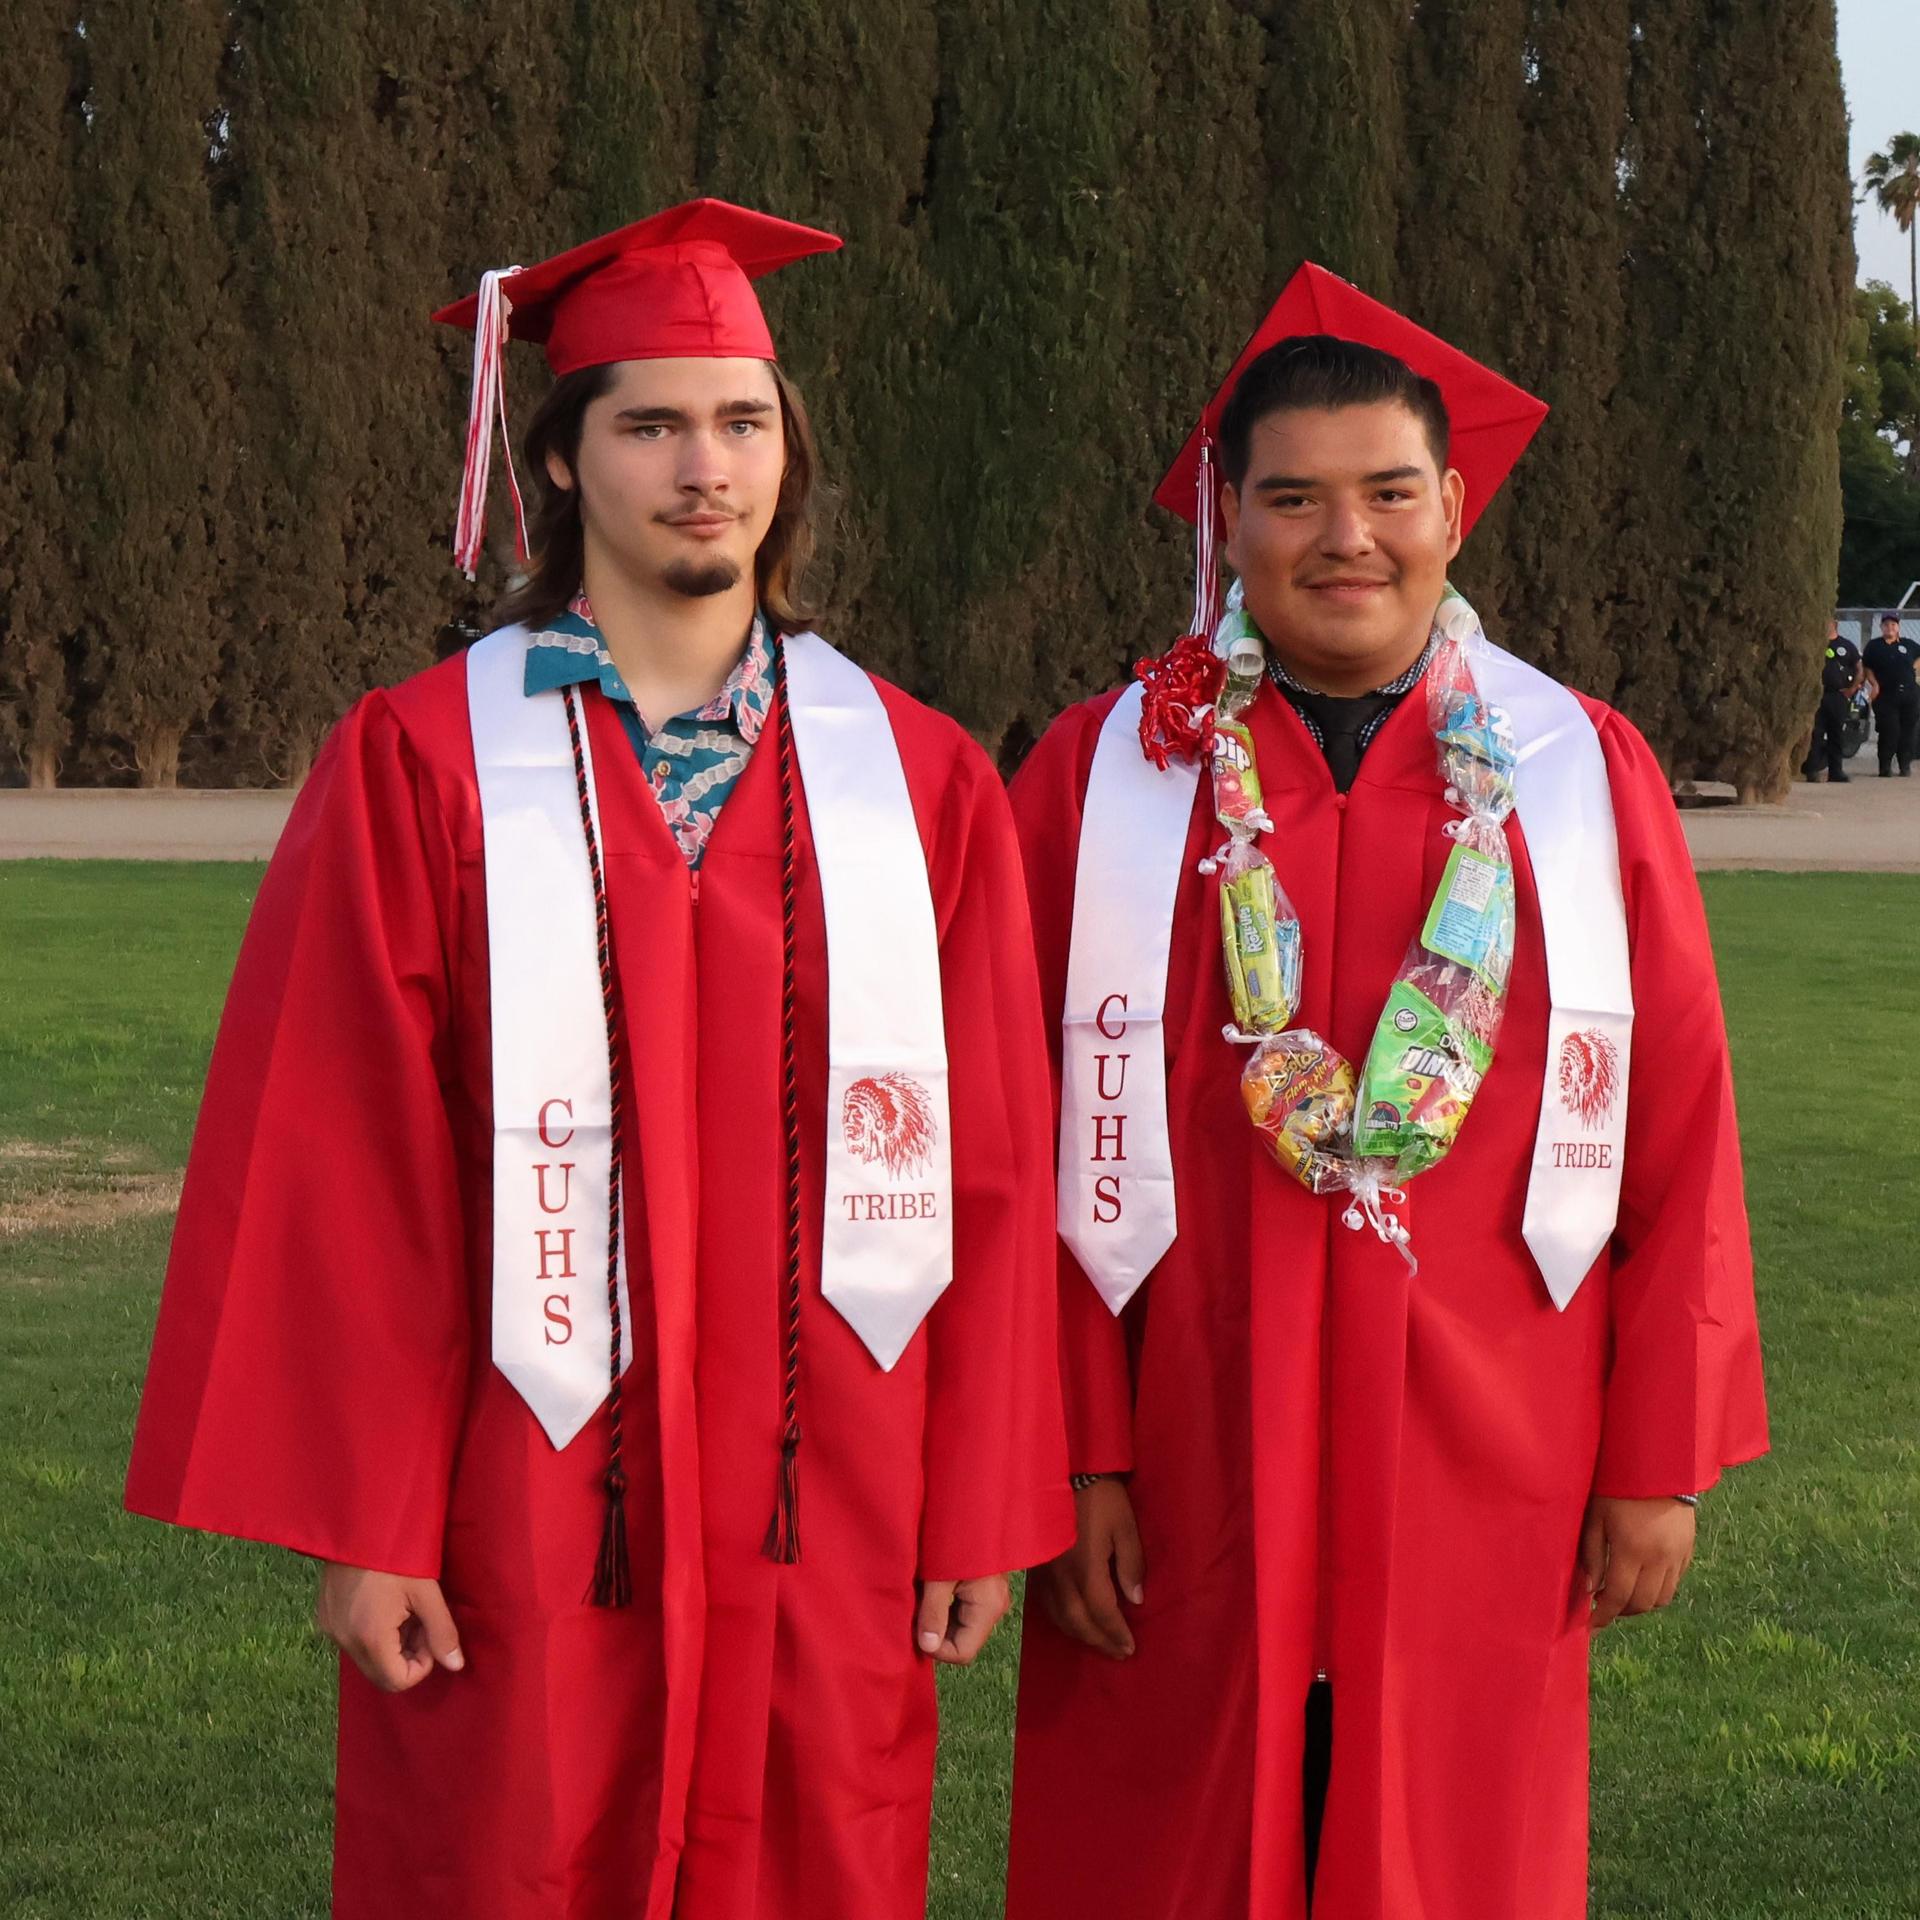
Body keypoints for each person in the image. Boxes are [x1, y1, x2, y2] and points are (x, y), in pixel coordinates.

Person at [125, 198, 1071, 1920]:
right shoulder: (424, 764)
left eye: (741, 420)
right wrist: (368, 1517)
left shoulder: (914, 782)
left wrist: (981, 1495)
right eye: (648, 423)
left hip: (828, 1488)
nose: (704, 466)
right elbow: (340, 1159)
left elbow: (993, 1157)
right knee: (507, 1853)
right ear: (560, 462)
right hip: (522, 1484)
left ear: (789, 448)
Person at [1003, 266, 1767, 1920]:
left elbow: (1681, 1130)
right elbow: (1024, 1140)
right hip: (1184, 1426)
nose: (1347, 535)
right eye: (1293, 497)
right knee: (1171, 1832)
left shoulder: (1579, 772)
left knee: (1449, 1844)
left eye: (1388, 493)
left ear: (1455, 513)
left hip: (1496, 1424)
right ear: (1229, 517)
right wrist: (1068, 1455)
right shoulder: (1108, 773)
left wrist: (1660, 1456)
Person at [1801, 614, 1861, 782]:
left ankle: (1836, 771)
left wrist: (1853, 688)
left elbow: (1858, 667)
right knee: (1815, 733)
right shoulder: (1814, 643)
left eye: (1828, 622)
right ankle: (1812, 770)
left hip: (1838, 696)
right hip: (1817, 695)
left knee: (1836, 734)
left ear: (1835, 624)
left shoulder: (1846, 645)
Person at [1863, 610, 1919, 776]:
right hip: (1886, 695)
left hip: (1909, 694)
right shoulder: (1874, 646)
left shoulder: (1908, 644)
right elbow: (1867, 667)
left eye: (1893, 624)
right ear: (1881, 627)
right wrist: (1874, 684)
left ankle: (1904, 765)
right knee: (1890, 730)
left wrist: (1914, 669)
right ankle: (1885, 766)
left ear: (1898, 627)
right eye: (1886, 624)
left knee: (1908, 731)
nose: (1890, 627)